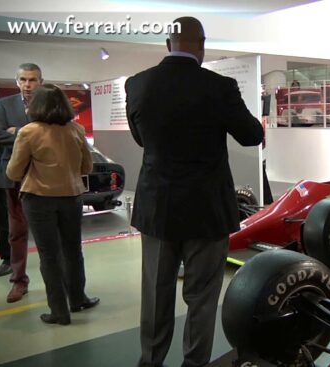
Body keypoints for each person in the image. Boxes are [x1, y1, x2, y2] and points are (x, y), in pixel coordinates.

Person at [125, 17, 264, 367]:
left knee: (156, 295)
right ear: (201, 45)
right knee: (202, 298)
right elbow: (251, 135)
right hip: (207, 210)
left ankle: (150, 361)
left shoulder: (138, 84)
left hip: (157, 208)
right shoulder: (220, 86)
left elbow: (141, 138)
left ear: (168, 44)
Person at [6, 84, 98, 325]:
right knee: (73, 250)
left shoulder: (28, 131)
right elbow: (87, 168)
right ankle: (78, 298)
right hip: (72, 197)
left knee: (49, 256)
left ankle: (59, 311)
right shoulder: (76, 130)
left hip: (38, 199)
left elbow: (14, 171)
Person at [0, 63, 43, 302]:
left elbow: (51, 135)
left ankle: (58, 283)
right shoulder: (4, 105)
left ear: (40, 82)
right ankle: (18, 281)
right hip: (13, 176)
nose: (27, 84)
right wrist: (29, 134)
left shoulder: (47, 104)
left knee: (49, 233)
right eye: (23, 79)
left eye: (32, 80)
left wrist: (18, 132)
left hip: (42, 175)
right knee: (16, 232)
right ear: (17, 82)